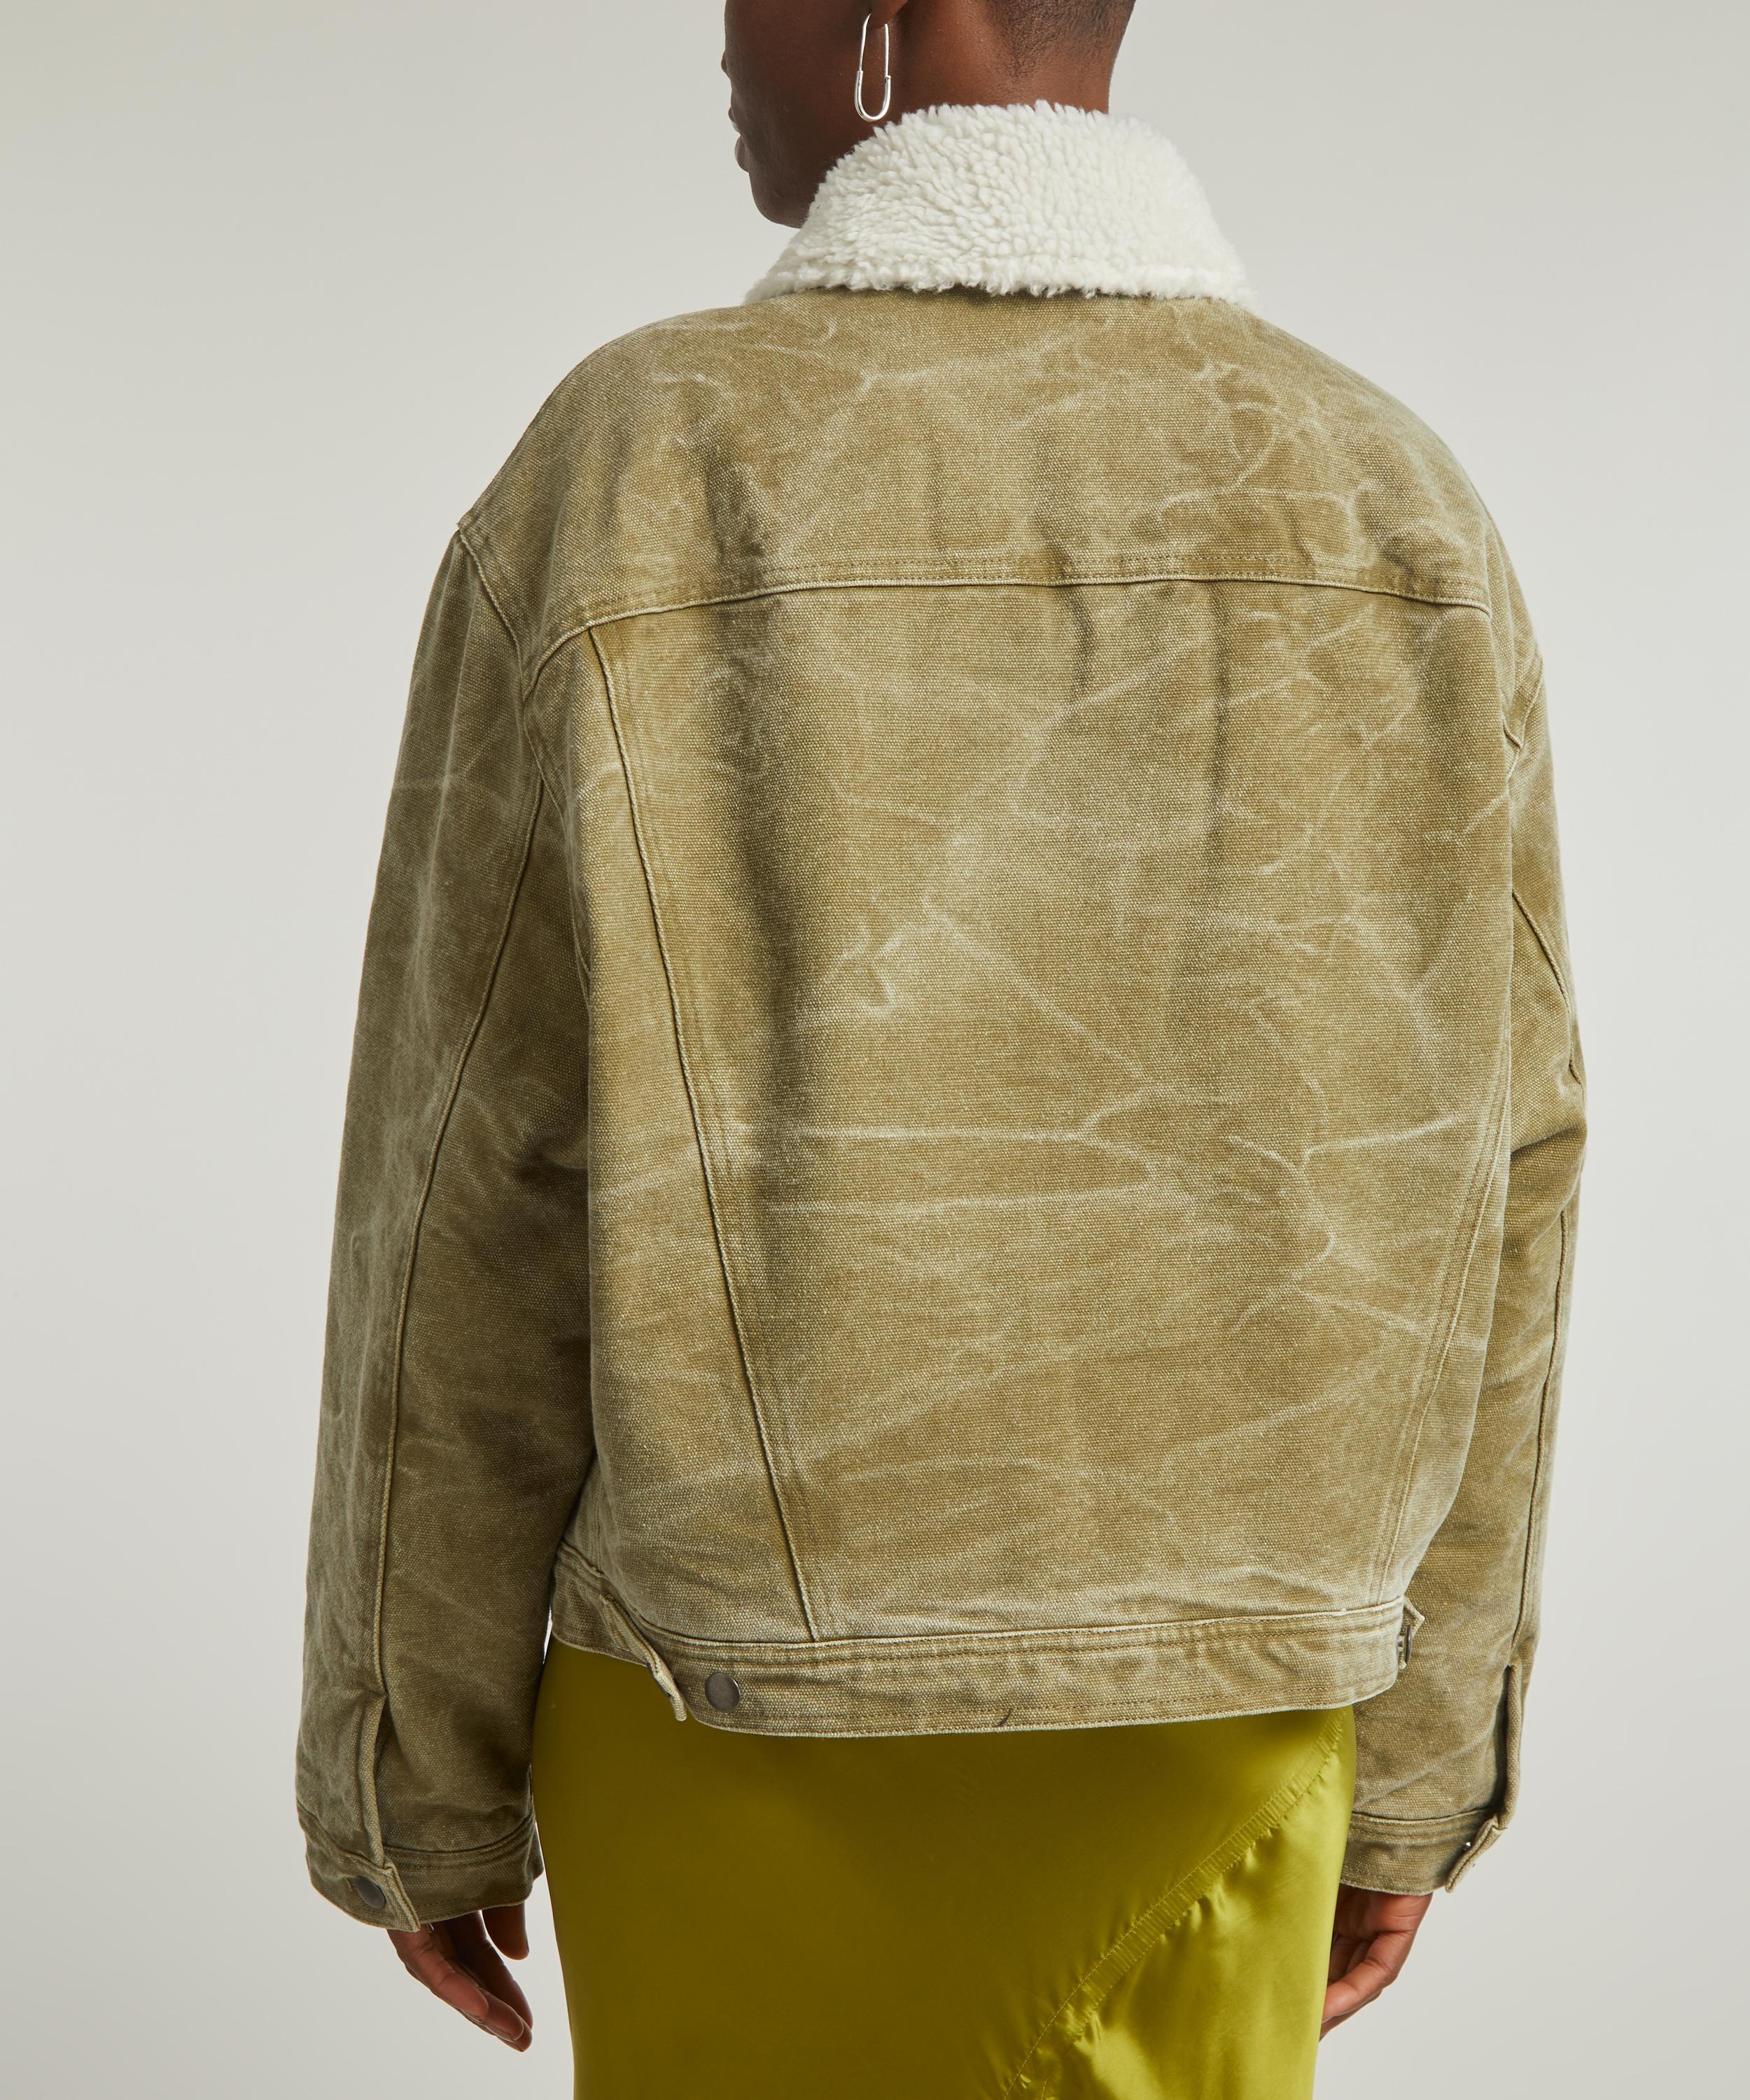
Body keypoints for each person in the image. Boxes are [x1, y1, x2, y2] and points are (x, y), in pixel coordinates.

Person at [297, 2, 1588, 2093]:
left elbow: (462, 1173)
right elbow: (1506, 1169)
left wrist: (408, 1770)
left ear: (888, 16)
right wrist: (1429, 1758)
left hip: (725, 1712)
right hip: (1233, 1718)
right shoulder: (1389, 494)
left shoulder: (641, 464)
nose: (723, 37)